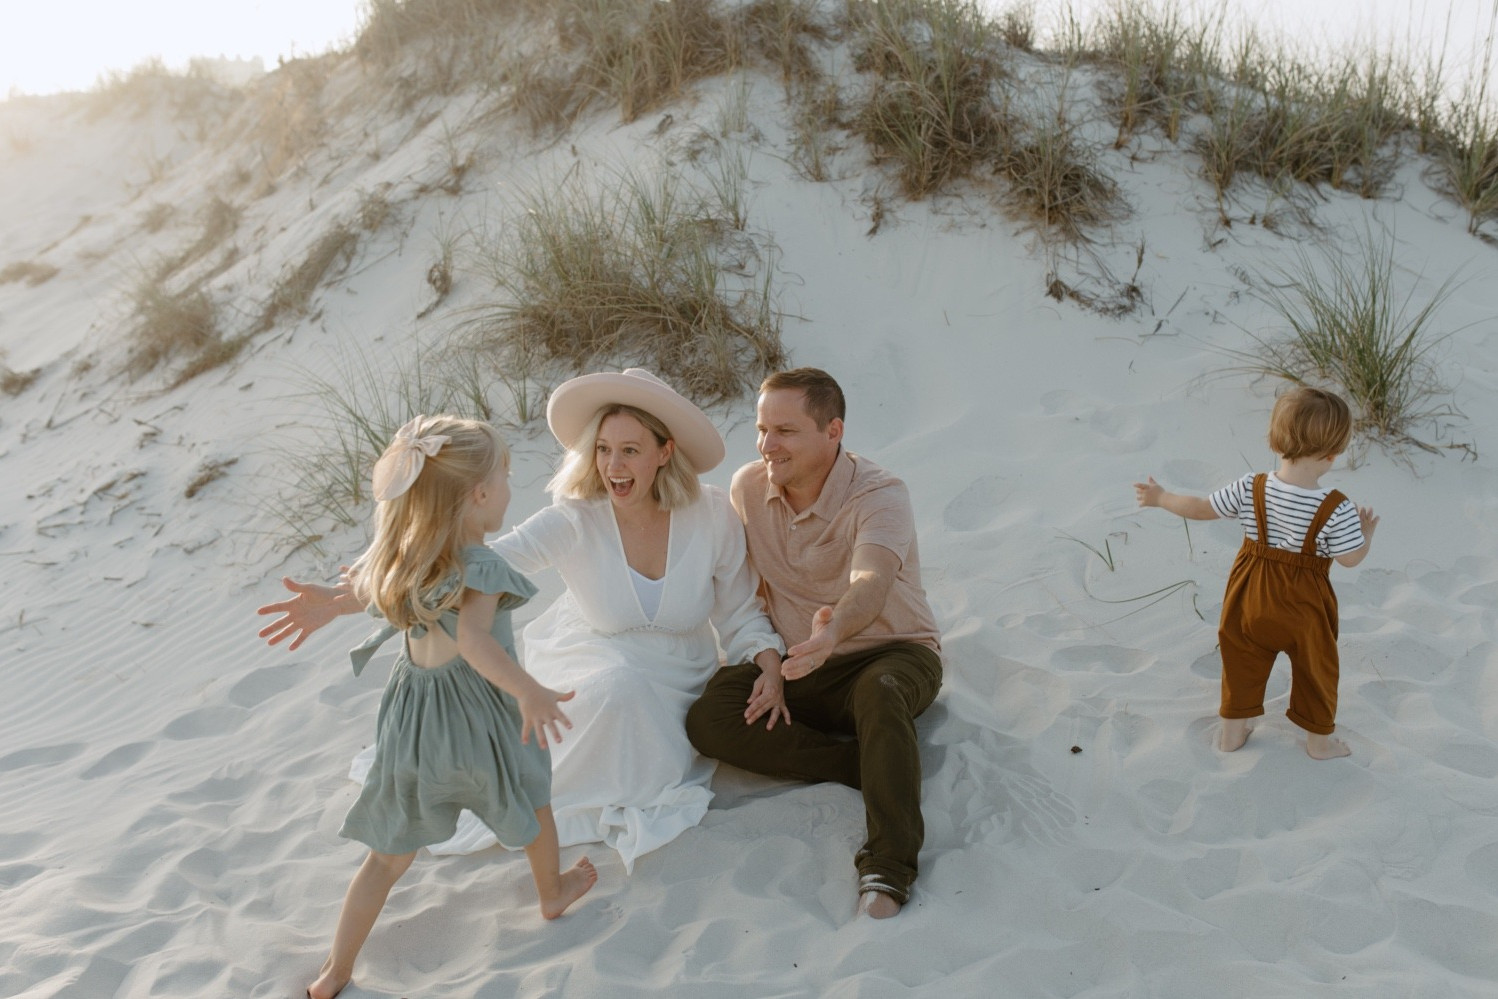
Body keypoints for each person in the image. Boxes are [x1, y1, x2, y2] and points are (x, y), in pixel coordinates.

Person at [262, 369, 786, 872]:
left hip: (683, 675)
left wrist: (767, 665)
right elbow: (467, 570)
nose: (613, 465)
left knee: (637, 704)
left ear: (664, 452)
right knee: (616, 690)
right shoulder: (576, 516)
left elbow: (740, 611)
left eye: (630, 450)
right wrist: (339, 599)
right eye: (603, 450)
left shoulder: (712, 514)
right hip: (592, 658)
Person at [259, 415, 594, 999]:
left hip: (414, 721)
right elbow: (476, 642)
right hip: (481, 718)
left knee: (387, 858)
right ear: (480, 495)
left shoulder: (408, 558)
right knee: (534, 792)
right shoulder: (483, 566)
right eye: (506, 477)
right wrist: (528, 691)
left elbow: (367, 591)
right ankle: (551, 892)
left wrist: (329, 605)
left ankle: (335, 971)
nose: (510, 488)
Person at [685, 368, 944, 920]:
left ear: (833, 431)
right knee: (712, 714)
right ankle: (863, 762)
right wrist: (773, 664)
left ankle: (889, 867)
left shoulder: (881, 494)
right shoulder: (748, 488)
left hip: (892, 653)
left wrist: (832, 631)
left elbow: (870, 583)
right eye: (761, 428)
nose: (766, 444)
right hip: (803, 661)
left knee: (880, 692)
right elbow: (748, 592)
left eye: (785, 430)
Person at [1133, 385, 1379, 760]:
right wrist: (1365, 535)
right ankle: (1319, 743)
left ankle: (1232, 732)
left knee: (1242, 658)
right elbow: (1349, 559)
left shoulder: (1252, 486)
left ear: (1275, 441)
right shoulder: (1336, 507)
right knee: (1317, 669)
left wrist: (1161, 497)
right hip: (1305, 606)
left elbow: (1201, 508)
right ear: (1331, 455)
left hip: (1250, 593)